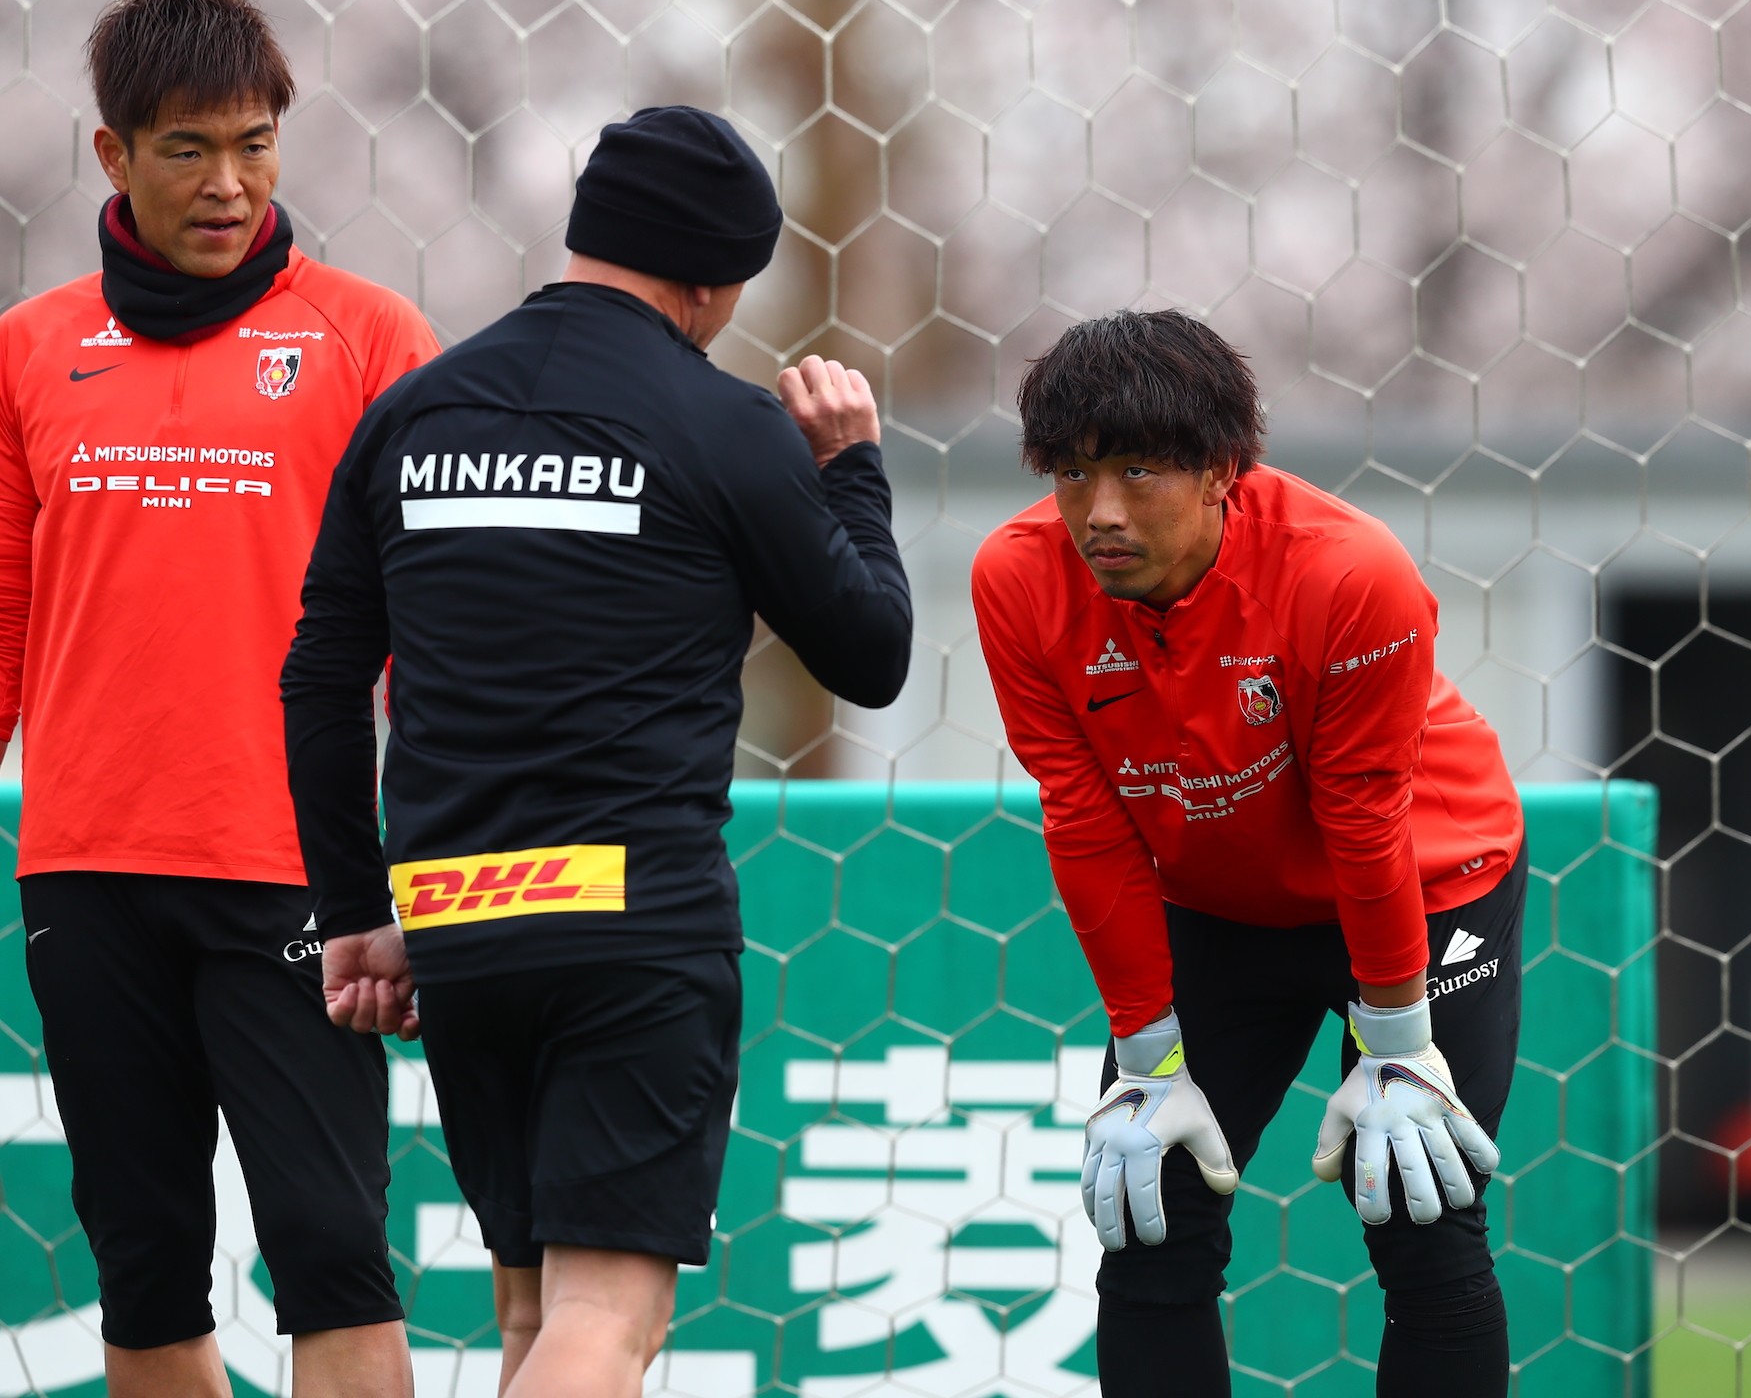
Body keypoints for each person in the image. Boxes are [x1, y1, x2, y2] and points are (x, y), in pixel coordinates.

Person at [282, 104, 914, 1398]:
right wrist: (849, 466)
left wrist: (359, 910)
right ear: (712, 277)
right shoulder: (722, 424)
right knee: (604, 1326)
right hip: (632, 924)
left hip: (459, 916)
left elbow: (322, 680)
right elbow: (871, 653)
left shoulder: (412, 414)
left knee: (527, 1318)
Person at [0, 0, 437, 1398]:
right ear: (114, 156)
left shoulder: (370, 341)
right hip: (87, 867)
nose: (230, 182)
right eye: (188, 147)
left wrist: (427, 868)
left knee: (332, 1254)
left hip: (296, 875)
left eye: (254, 142)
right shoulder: (31, 351)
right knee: (142, 1264)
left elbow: (438, 638)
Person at [970, 309, 1529, 1398]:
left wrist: (1400, 1046)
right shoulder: (1019, 579)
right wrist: (1145, 1060)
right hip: (1222, 905)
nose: (1103, 512)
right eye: (1074, 476)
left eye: (1141, 471)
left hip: (1425, 884)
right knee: (1147, 1224)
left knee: (1418, 1212)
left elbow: (1366, 820)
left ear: (1226, 469)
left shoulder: (1348, 572)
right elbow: (1084, 819)